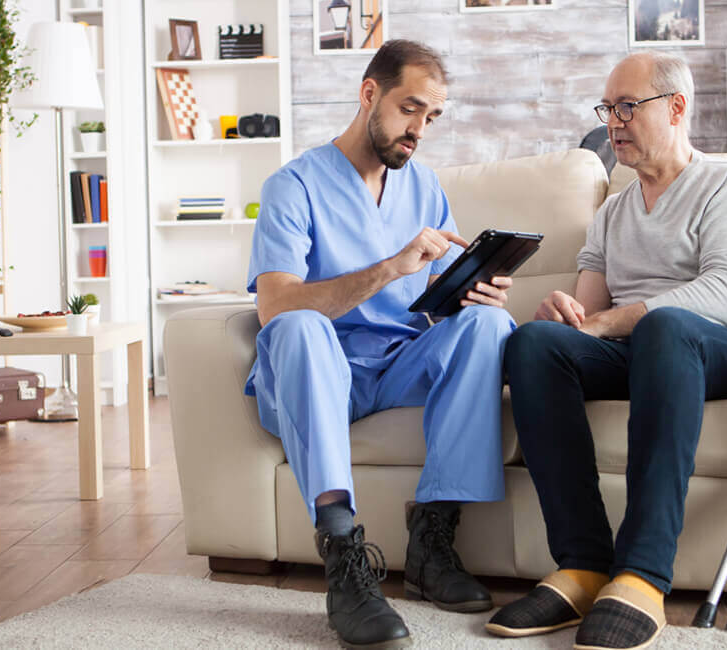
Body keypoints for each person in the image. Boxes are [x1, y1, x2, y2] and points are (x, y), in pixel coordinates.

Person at [487, 51, 727, 649]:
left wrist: (609, 323)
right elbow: (587, 317)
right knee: (534, 344)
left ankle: (643, 575)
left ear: (676, 108)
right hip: (650, 351)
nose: (613, 122)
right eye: (608, 109)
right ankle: (582, 566)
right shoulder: (614, 212)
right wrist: (565, 316)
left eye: (628, 106)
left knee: (667, 325)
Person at [246, 40, 516, 649]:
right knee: (298, 324)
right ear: (370, 94)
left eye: (432, 117)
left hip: (396, 366)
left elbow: (432, 308)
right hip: (316, 370)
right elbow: (274, 304)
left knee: (488, 325)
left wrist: (472, 295)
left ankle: (432, 544)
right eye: (409, 109)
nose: (419, 130)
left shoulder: (423, 187)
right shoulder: (293, 186)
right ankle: (344, 558)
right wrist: (392, 267)